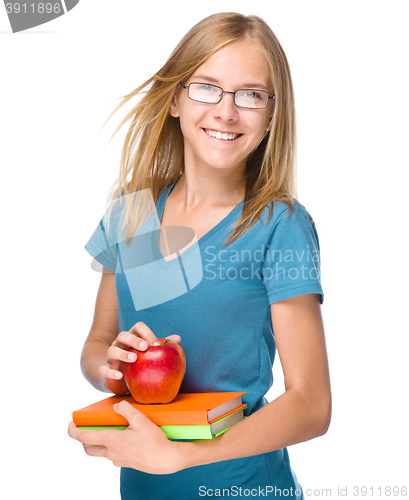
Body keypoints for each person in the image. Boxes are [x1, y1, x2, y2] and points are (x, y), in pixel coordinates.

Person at [68, 12, 331, 500]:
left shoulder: (278, 225)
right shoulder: (132, 214)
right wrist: (110, 366)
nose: (226, 112)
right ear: (174, 98)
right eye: (207, 88)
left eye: (251, 95)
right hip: (143, 488)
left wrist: (183, 456)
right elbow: (97, 344)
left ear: (272, 115)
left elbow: (312, 405)